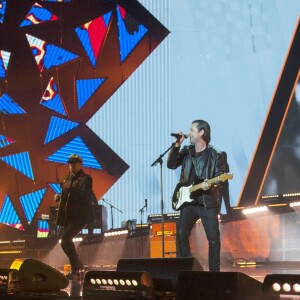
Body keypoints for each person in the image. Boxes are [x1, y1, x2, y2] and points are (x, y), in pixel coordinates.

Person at [167, 120, 226, 271]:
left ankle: (215, 274)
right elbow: (171, 164)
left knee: (213, 240)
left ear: (201, 132)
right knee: (181, 234)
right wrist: (177, 145)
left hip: (206, 202)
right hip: (188, 202)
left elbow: (221, 177)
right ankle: (186, 269)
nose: (189, 133)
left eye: (192, 130)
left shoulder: (216, 155)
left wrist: (211, 185)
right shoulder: (187, 150)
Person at [54, 154, 96, 280]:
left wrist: (70, 188)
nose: (71, 166)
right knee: (63, 242)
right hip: (70, 215)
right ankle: (78, 266)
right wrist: (59, 196)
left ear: (80, 164)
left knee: (66, 238)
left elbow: (84, 196)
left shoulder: (86, 178)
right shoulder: (68, 177)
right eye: (69, 163)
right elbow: (66, 194)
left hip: (81, 215)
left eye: (73, 163)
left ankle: (76, 269)